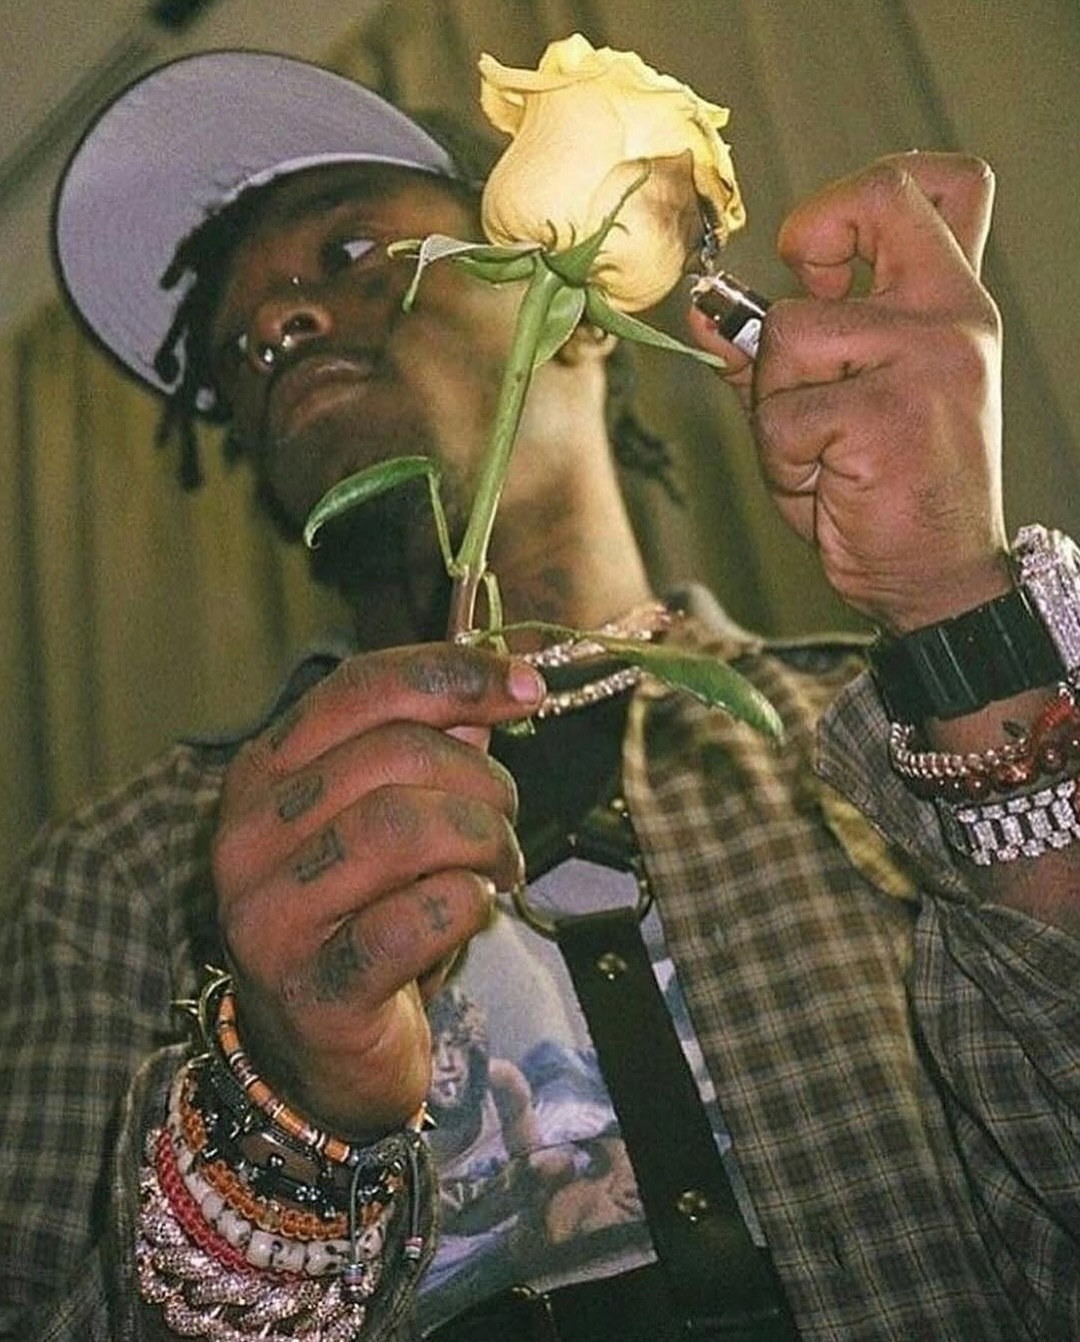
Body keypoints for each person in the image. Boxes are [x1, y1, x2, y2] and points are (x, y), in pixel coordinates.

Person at [1, 46, 1077, 1342]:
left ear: (578, 309)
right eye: (238, 346)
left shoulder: (888, 740)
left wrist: (959, 616)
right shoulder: (125, 868)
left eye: (351, 252)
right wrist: (275, 1122)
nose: (276, 329)